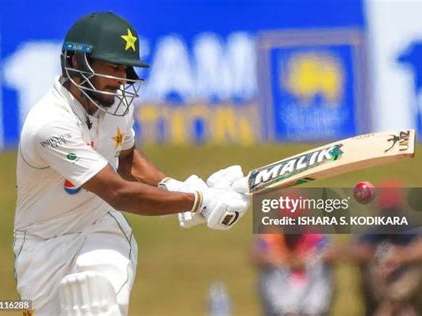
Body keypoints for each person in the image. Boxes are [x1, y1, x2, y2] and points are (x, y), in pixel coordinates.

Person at [13, 12, 249, 316]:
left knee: (97, 307)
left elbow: (127, 159)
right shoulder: (49, 124)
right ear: (76, 62)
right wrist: (198, 201)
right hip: (41, 246)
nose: (122, 79)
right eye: (113, 67)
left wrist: (171, 186)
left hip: (100, 228)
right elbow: (118, 192)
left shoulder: (114, 105)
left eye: (125, 69)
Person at [348, 181, 422, 316]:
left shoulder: (410, 229)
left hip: (407, 290)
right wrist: (381, 256)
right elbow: (354, 251)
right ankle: (391, 307)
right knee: (370, 267)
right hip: (379, 290)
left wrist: (402, 256)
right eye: (386, 211)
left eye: (393, 211)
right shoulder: (373, 231)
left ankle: (393, 307)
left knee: (416, 267)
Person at [251, 229, 335, 316]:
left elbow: (331, 252)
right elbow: (256, 255)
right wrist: (280, 260)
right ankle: (287, 310)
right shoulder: (273, 236)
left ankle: (312, 310)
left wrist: (308, 260)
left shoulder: (315, 235)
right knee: (274, 270)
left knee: (319, 267)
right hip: (282, 295)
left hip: (311, 292)